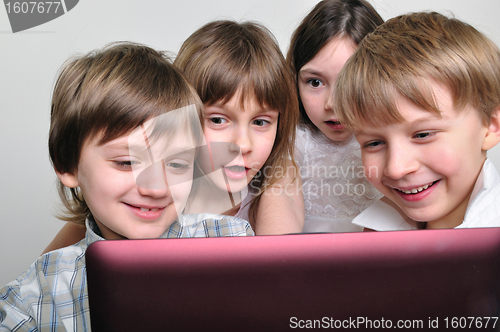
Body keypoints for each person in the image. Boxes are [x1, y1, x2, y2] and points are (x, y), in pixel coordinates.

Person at [0, 42, 252, 330]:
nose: (156, 188)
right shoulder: (34, 294)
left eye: (177, 165)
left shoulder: (230, 241)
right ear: (67, 165)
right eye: (126, 163)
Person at [334, 11, 500, 230]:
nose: (396, 168)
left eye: (423, 134)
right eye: (374, 143)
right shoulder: (373, 237)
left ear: (490, 126)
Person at [174, 20, 304, 234]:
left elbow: (278, 260)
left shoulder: (278, 177)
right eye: (217, 120)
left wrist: (278, 181)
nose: (242, 145)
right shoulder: (159, 193)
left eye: (260, 122)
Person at [287, 0, 383, 233]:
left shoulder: (397, 144)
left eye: (350, 82)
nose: (333, 104)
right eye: (315, 82)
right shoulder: (292, 144)